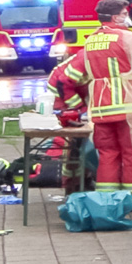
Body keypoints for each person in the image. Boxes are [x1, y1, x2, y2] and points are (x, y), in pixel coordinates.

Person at [66, 0, 132, 205]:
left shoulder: (90, 41)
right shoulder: (129, 38)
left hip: (100, 109)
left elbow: (82, 74)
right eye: (125, 14)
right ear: (115, 17)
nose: (128, 17)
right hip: (129, 107)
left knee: (107, 154)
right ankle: (131, 200)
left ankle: (107, 200)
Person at [44, 48, 90, 193]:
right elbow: (63, 84)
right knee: (70, 138)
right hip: (60, 91)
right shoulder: (84, 60)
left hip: (75, 89)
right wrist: (80, 108)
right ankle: (69, 183)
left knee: (81, 137)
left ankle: (83, 178)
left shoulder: (97, 56)